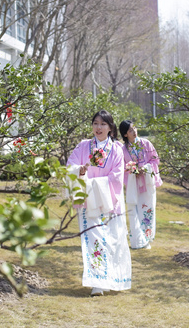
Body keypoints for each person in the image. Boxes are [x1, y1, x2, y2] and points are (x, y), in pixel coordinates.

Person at [66, 110, 132, 297]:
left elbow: (117, 176)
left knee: (112, 241)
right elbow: (70, 166)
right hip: (89, 201)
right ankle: (98, 282)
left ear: (110, 128)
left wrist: (97, 184)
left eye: (103, 124)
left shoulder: (117, 149)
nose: (98, 127)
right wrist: (80, 170)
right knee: (94, 240)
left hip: (109, 202)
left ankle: (111, 278)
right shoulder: (83, 146)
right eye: (95, 123)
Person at [118, 120, 162, 250]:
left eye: (135, 128)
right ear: (125, 134)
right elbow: (121, 168)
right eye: (131, 130)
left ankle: (146, 239)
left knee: (148, 210)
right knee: (134, 211)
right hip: (134, 185)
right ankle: (137, 240)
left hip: (147, 184)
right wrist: (132, 172)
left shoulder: (146, 144)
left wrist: (146, 168)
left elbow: (155, 160)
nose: (135, 132)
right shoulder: (123, 150)